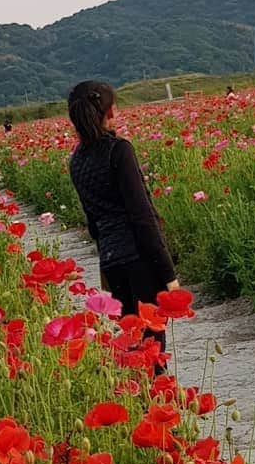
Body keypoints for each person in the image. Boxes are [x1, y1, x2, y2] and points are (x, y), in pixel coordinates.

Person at [66, 81, 179, 352]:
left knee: (131, 346)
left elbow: (93, 224)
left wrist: (106, 258)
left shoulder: (77, 161)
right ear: (110, 112)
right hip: (139, 259)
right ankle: (155, 394)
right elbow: (142, 217)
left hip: (111, 262)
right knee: (152, 347)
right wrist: (168, 274)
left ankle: (138, 394)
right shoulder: (118, 150)